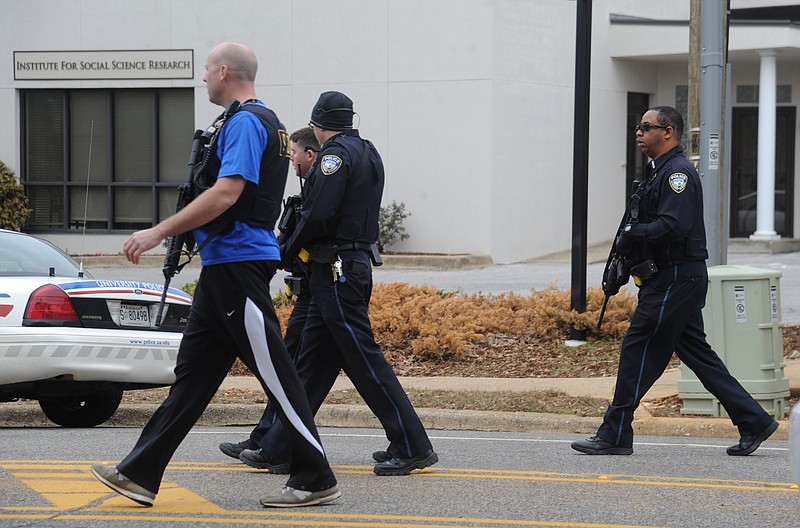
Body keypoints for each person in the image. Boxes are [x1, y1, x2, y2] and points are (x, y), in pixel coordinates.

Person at [90, 42, 340, 508]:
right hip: (224, 267)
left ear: (224, 71)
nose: (202, 79)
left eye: (206, 70)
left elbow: (227, 193)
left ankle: (315, 476)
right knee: (193, 379)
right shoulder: (265, 121)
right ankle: (140, 473)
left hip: (239, 266)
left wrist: (158, 232)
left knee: (277, 372)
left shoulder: (246, 121)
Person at [239, 91, 438, 476]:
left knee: (364, 360)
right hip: (344, 268)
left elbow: (318, 214)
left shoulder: (334, 156)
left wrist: (284, 251)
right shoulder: (368, 150)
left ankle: (412, 444)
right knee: (311, 364)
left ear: (318, 124)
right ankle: (281, 445)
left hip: (336, 270)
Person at [571, 105, 779, 456]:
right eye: (638, 127)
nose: (638, 132)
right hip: (671, 278)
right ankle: (754, 421)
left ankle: (614, 432)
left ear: (668, 132)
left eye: (646, 126)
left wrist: (633, 232)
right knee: (698, 355)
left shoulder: (677, 174)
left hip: (675, 278)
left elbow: (674, 226)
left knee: (639, 350)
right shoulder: (657, 172)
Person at [218, 127, 319, 469]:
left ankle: (286, 451)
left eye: (294, 154)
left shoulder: (325, 179)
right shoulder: (311, 186)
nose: (290, 160)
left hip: (326, 293)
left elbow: (313, 228)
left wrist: (281, 253)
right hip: (310, 292)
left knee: (297, 372)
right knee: (287, 364)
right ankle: (265, 439)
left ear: (310, 154)